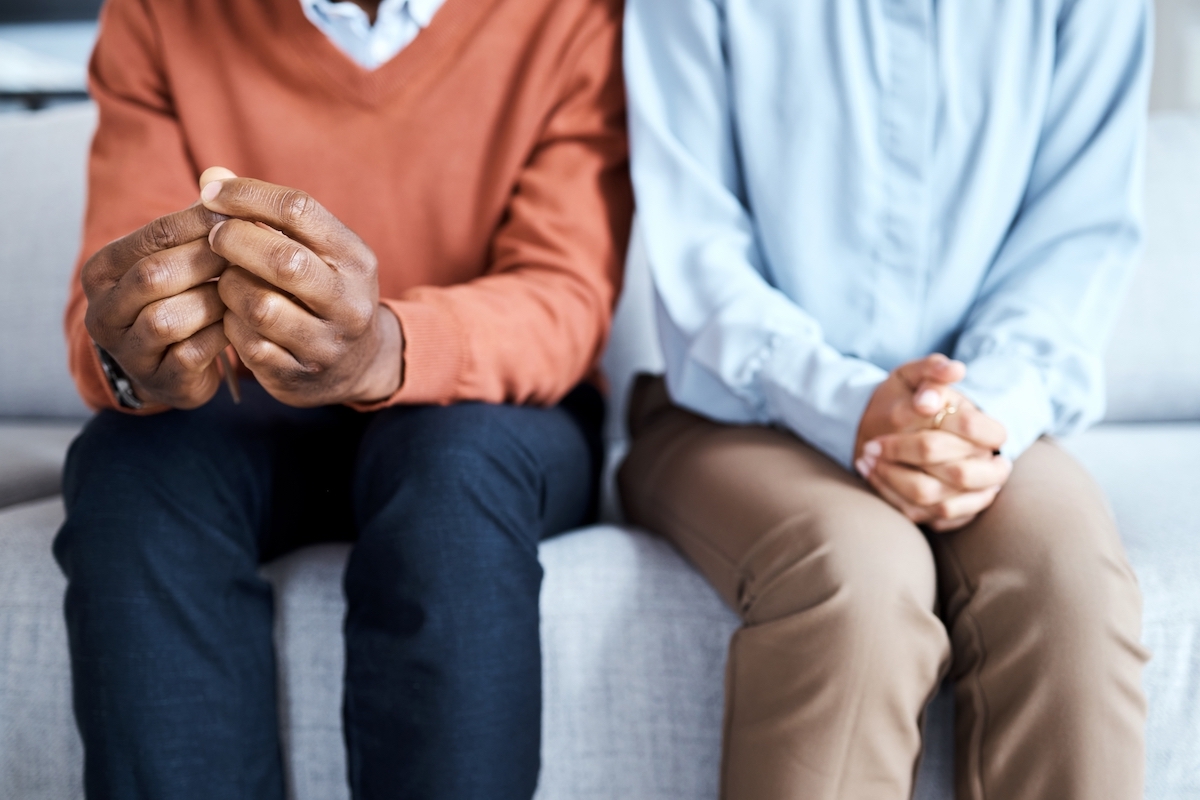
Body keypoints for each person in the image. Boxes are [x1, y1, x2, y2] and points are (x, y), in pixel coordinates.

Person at [54, 0, 632, 797]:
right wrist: (137, 358)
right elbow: (118, 277)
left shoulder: (574, 16)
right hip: (250, 406)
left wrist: (384, 349)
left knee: (450, 474)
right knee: (130, 473)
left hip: (492, 415)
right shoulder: (159, 12)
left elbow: (562, 291)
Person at [618, 1, 1151, 798]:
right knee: (857, 580)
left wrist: (968, 422)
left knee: (1068, 582)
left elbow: (1074, 238)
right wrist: (851, 405)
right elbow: (699, 247)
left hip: (984, 413)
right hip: (738, 408)